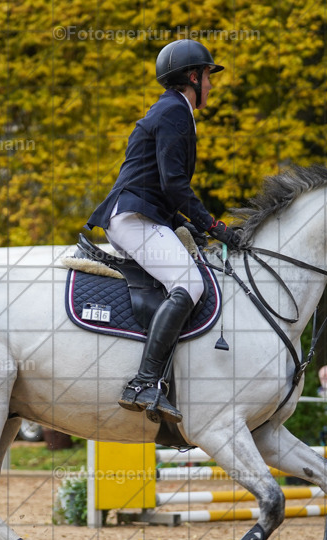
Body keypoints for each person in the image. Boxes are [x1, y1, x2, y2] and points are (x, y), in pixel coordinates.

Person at [85, 39, 241, 423]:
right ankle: (144, 381)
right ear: (193, 76)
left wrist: (190, 226)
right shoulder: (175, 112)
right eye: (207, 76)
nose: (210, 84)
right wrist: (213, 225)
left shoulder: (174, 111)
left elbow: (165, 188)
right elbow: (174, 185)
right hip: (133, 217)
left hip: (147, 214)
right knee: (191, 283)